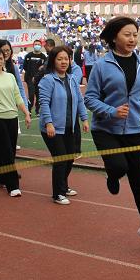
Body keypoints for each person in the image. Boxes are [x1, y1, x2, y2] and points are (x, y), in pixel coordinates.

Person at [84, 16, 140, 251]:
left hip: (133, 130)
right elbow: (89, 98)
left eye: (134, 34)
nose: (132, 39)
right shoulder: (101, 65)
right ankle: (112, 174)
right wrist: (111, 111)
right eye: (126, 34)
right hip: (105, 129)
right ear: (114, 37)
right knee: (119, 167)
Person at [38, 46, 90, 205]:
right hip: (52, 128)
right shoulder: (47, 80)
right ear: (53, 61)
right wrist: (49, 123)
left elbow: (79, 100)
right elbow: (44, 103)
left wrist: (84, 119)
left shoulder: (72, 79)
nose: (63, 62)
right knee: (60, 159)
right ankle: (57, 194)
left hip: (69, 126)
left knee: (69, 158)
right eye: (59, 59)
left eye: (66, 59)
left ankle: (64, 186)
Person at [0, 47, 32, 197]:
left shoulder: (10, 76)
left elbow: (17, 96)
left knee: (9, 151)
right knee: (7, 151)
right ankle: (13, 185)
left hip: (12, 118)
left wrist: (26, 113)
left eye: (1, 58)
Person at [23, 40, 47, 113]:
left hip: (40, 79)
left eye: (38, 44)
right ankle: (29, 110)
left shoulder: (43, 57)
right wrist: (30, 75)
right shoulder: (28, 55)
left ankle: (37, 111)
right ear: (33, 45)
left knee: (39, 95)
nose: (37, 45)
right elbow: (25, 67)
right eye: (36, 44)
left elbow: (45, 68)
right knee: (31, 94)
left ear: (41, 46)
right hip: (29, 78)